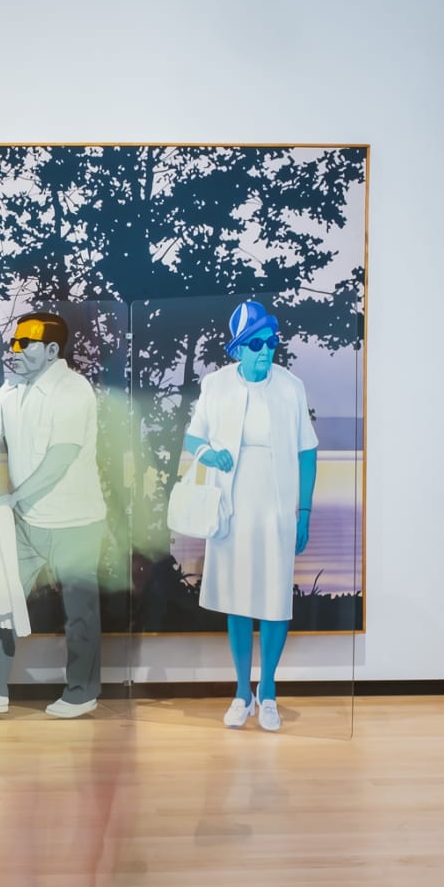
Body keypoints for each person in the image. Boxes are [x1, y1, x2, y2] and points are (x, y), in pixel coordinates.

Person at [0, 312, 105, 718]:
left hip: (77, 523)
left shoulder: (73, 389)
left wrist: (15, 498)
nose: (14, 349)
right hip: (28, 523)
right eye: (14, 341)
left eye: (25, 343)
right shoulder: (10, 390)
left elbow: (62, 456)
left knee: (80, 612)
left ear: (52, 350)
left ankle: (82, 694)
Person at [182, 301, 318, 731]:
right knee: (238, 600)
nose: (266, 350)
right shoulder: (216, 384)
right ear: (238, 348)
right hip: (231, 505)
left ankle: (270, 690)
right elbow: (192, 437)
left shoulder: (291, 386)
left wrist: (305, 512)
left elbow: (307, 450)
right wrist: (209, 453)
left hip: (276, 505)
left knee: (276, 600)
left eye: (272, 341)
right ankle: (242, 691)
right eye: (257, 343)